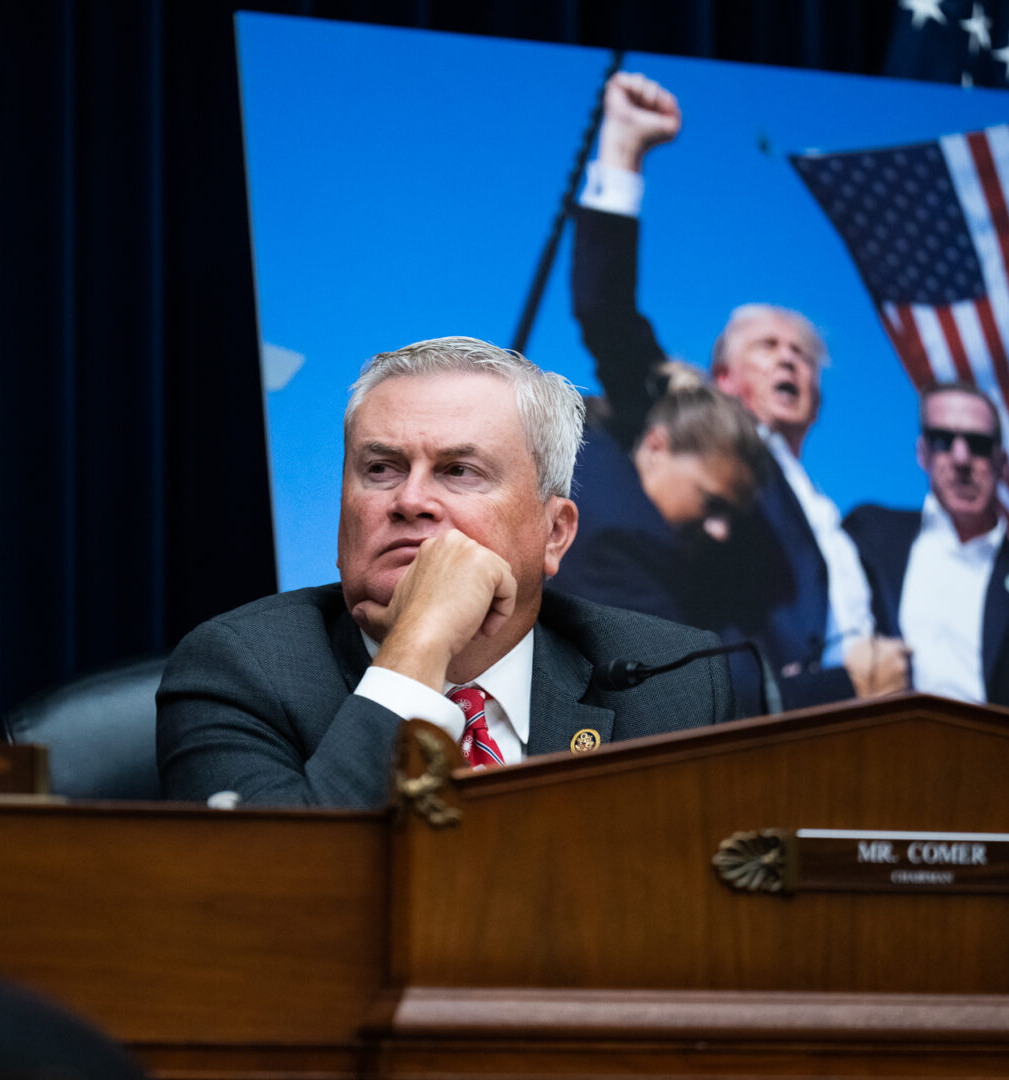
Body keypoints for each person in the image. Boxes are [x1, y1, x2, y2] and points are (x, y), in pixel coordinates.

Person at [157, 336, 737, 808]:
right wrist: (421, 643)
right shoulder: (239, 670)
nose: (410, 500)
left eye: (459, 471)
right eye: (380, 468)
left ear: (554, 533)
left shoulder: (668, 682)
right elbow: (278, 893)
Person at [571, 70, 908, 709]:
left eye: (803, 355)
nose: (789, 361)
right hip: (766, 725)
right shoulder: (690, 429)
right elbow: (605, 311)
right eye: (768, 347)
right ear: (722, 379)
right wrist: (623, 151)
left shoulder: (847, 522)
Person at [844, 384, 1009, 730]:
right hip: (871, 760)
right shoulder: (870, 535)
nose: (961, 459)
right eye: (943, 440)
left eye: (978, 445)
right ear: (922, 452)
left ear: (1001, 462)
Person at [552, 375, 766, 626]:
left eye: (731, 515)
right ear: (656, 446)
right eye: (712, 503)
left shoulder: (574, 458)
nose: (721, 532)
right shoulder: (624, 545)